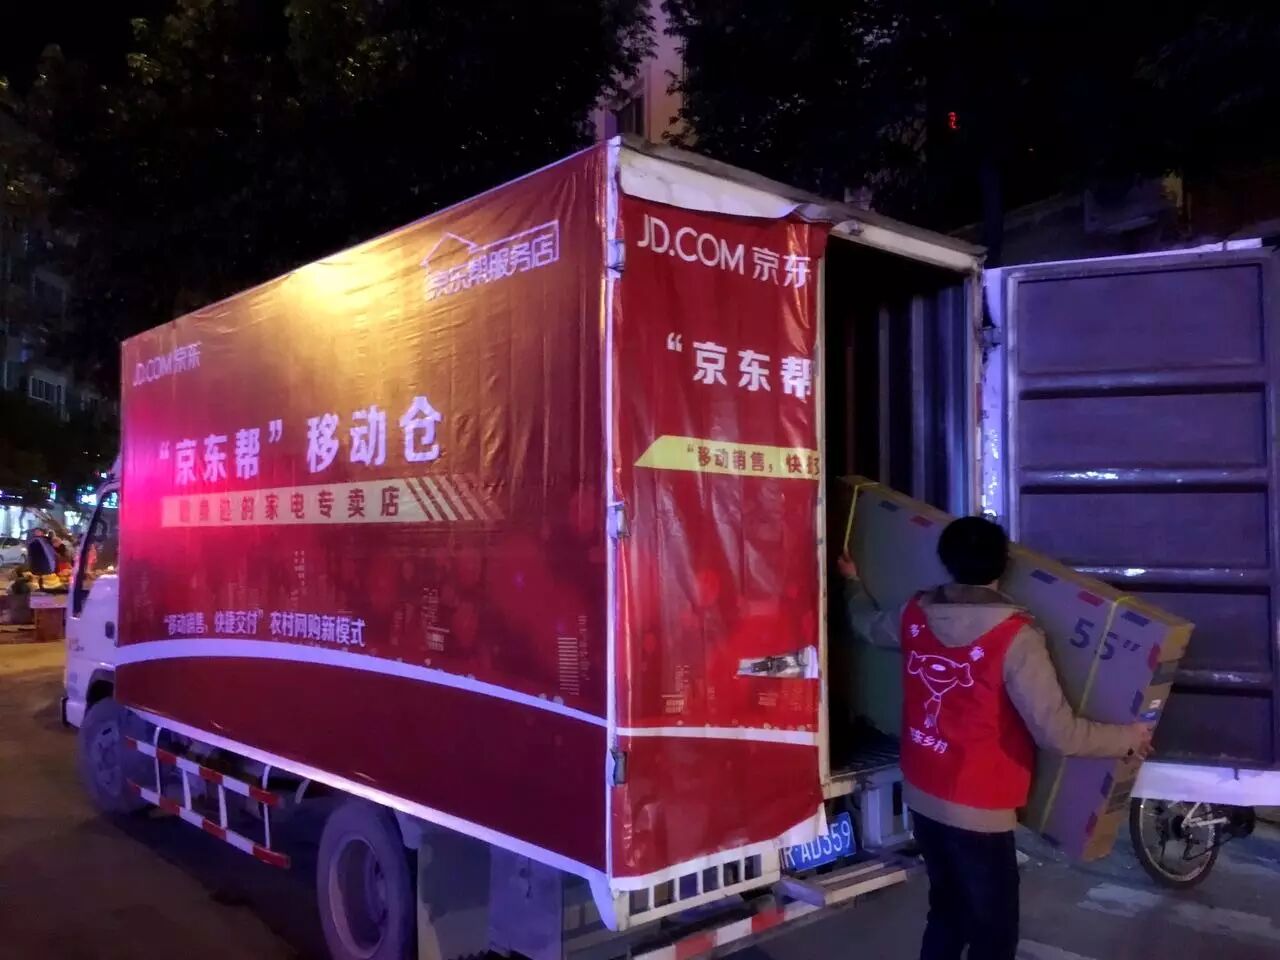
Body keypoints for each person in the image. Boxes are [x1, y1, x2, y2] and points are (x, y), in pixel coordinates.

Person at [838, 515, 1153, 960]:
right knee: (994, 936)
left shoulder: (914, 615)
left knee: (946, 912)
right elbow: (1058, 733)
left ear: (945, 561)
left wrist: (852, 581)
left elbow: (866, 624)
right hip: (979, 809)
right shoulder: (1015, 637)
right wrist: (1129, 738)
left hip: (923, 791)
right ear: (1004, 564)